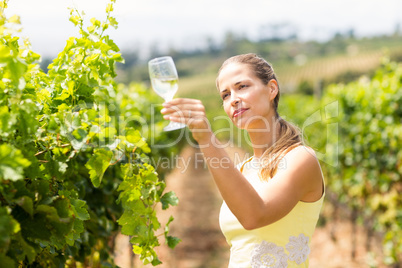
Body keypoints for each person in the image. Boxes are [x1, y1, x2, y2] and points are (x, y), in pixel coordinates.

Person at [160, 53, 325, 267]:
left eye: (243, 86)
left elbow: (254, 215)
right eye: (226, 95)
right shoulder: (242, 170)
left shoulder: (301, 159)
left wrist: (206, 137)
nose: (234, 99)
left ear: (271, 89)